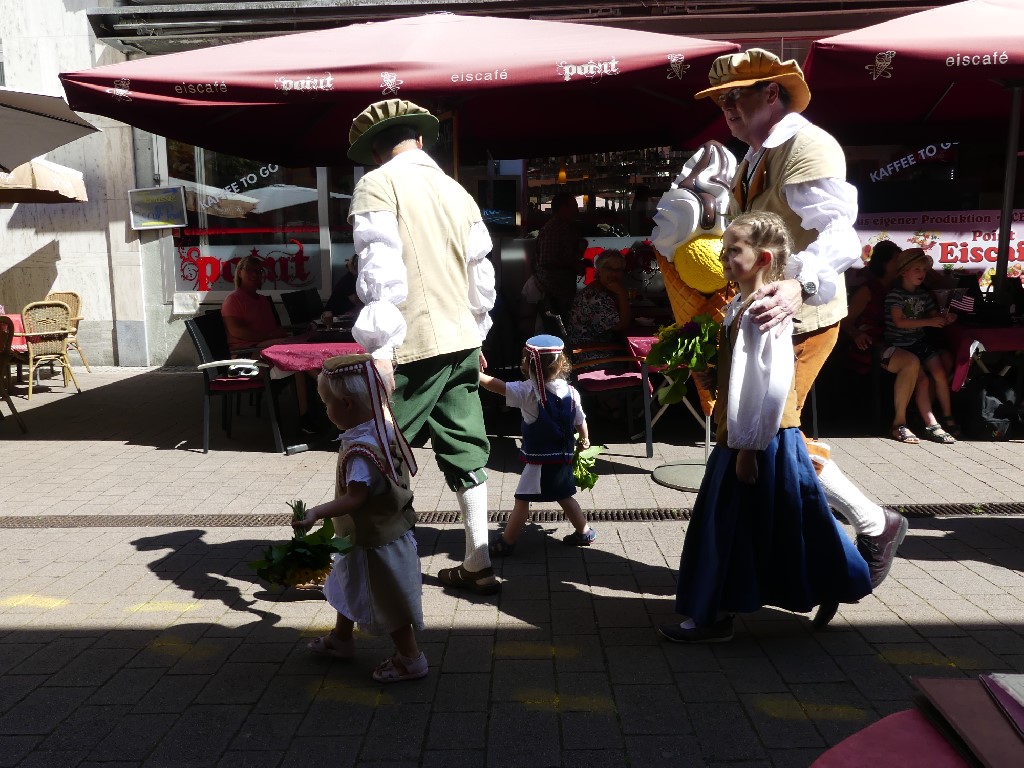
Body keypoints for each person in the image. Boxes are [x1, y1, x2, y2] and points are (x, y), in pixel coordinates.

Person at [694, 48, 907, 595]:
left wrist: (797, 283)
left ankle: (846, 543)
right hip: (766, 316)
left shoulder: (806, 145)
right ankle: (850, 537)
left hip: (800, 317)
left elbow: (840, 233)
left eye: (735, 97)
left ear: (772, 93)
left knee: (769, 438)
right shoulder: (755, 154)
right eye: (720, 100)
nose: (726, 109)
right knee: (767, 437)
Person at [658, 212, 872, 643]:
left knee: (737, 525)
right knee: (782, 521)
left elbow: (769, 386)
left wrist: (748, 450)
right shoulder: (738, 305)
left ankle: (715, 616)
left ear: (763, 258)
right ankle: (827, 581)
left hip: (760, 440)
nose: (723, 257)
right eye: (724, 249)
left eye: (733, 250)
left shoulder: (761, 311)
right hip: (746, 437)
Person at [346, 99, 499, 595]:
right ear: (418, 138)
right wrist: (478, 333)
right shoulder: (458, 192)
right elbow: (480, 275)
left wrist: (379, 349)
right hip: (462, 340)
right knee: (467, 448)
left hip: (412, 344)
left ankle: (369, 569)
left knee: (377, 453)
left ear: (376, 149)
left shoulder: (377, 184)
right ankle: (478, 560)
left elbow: (380, 269)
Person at [292, 354, 426, 682]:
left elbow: (355, 498)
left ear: (347, 404)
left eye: (326, 403)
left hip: (373, 544)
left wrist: (316, 513)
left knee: (387, 602)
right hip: (376, 535)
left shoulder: (361, 451)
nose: (326, 410)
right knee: (346, 584)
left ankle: (411, 659)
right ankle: (342, 639)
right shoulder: (382, 426)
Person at [479, 334, 597, 555]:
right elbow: (580, 420)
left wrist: (476, 375)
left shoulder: (527, 391)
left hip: (539, 463)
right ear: (561, 364)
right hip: (563, 457)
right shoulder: (572, 392)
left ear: (526, 364)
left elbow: (498, 386)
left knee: (522, 500)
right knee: (564, 495)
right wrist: (585, 438)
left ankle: (507, 541)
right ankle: (584, 531)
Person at [841, 241, 925, 443]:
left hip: (899, 342)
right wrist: (856, 334)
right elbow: (846, 321)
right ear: (884, 263)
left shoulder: (901, 286)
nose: (901, 263)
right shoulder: (868, 289)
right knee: (910, 362)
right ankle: (899, 424)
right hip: (872, 345)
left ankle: (927, 420)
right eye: (896, 259)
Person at [222, 255, 315, 433]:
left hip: (265, 351)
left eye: (259, 271)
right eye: (250, 270)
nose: (255, 274)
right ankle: (319, 401)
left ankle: (311, 412)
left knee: (300, 361)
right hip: (245, 359)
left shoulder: (263, 300)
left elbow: (271, 329)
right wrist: (271, 336)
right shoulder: (233, 300)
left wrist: (277, 335)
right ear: (239, 272)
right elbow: (237, 331)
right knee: (299, 360)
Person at [883, 248, 960, 444]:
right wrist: (929, 322)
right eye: (916, 269)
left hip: (919, 343)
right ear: (903, 272)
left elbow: (934, 316)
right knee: (923, 380)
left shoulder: (924, 295)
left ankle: (948, 416)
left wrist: (945, 318)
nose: (921, 273)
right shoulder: (895, 295)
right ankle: (931, 423)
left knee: (940, 373)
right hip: (899, 345)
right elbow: (899, 321)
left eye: (924, 270)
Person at [567, 249, 632, 355]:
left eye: (618, 270)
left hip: (588, 348)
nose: (613, 273)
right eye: (609, 268)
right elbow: (621, 326)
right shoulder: (596, 296)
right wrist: (622, 294)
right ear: (599, 270)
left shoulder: (597, 288)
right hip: (589, 354)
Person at [535, 191, 587, 317]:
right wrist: (573, 265)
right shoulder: (553, 229)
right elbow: (547, 260)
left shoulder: (565, 228)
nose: (577, 210)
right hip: (555, 292)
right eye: (574, 206)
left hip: (562, 290)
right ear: (563, 208)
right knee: (560, 324)